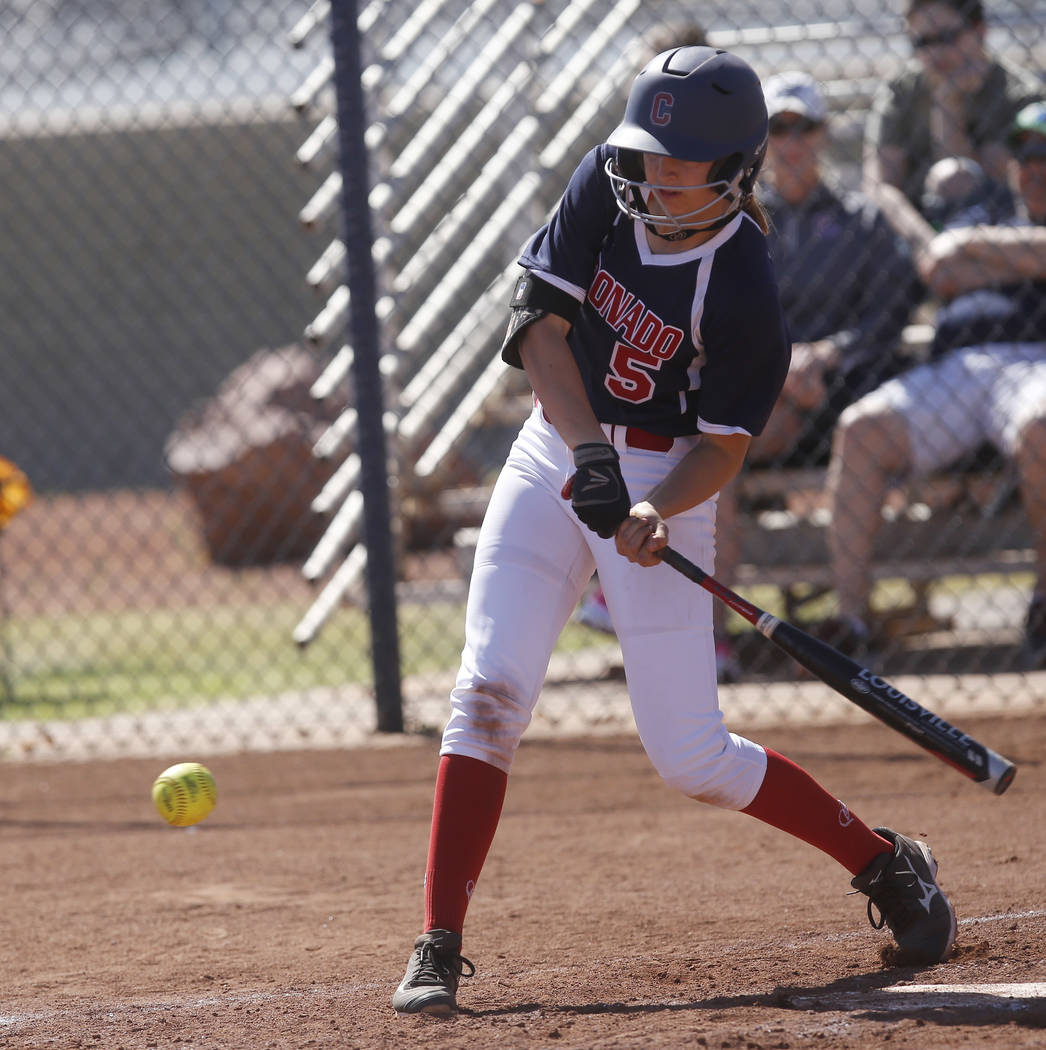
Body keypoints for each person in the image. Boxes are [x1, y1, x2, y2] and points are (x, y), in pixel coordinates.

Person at [391, 47, 957, 1018]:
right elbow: (537, 327)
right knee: (486, 692)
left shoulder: (741, 285)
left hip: (668, 475)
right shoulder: (603, 188)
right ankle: (439, 941)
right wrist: (586, 456)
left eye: (676, 159)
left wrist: (650, 509)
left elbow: (723, 448)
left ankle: (881, 861)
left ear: (733, 170)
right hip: (553, 447)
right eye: (642, 150)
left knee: (689, 757)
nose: (650, 171)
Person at [711, 72, 920, 679]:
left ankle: (851, 628)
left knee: (772, 421)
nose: (792, 141)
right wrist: (781, 366)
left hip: (846, 390)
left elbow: (887, 316)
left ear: (824, 135)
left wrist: (825, 357)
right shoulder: (737, 222)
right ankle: (712, 639)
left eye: (803, 127)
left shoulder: (863, 218)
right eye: (779, 129)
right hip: (766, 397)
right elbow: (721, 315)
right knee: (716, 445)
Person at [825, 100, 1046, 662]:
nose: (1034, 165)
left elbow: (958, 261)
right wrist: (1024, 257)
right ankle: (850, 623)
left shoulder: (984, 227)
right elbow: (939, 265)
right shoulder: (985, 208)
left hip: (1033, 362)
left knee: (1042, 426)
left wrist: (980, 254)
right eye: (1024, 154)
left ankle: (1044, 603)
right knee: (861, 429)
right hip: (956, 369)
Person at [864, 0, 1041, 245]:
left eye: (947, 37)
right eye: (922, 42)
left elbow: (995, 187)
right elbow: (880, 186)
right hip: (914, 235)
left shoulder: (1019, 95)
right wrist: (927, 244)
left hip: (1000, 234)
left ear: (979, 30)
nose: (935, 53)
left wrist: (949, 101)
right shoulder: (902, 90)